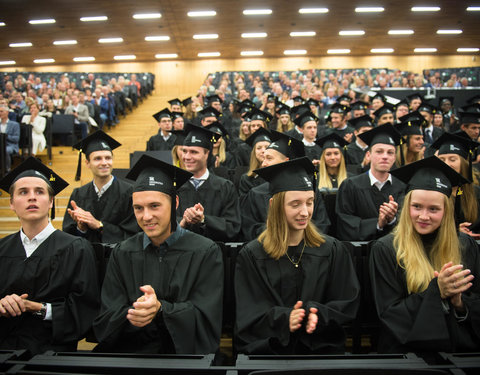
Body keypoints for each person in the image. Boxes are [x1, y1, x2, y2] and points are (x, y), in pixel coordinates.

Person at [93, 154, 223, 353]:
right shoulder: (123, 252)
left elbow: (206, 317)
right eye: (138, 208)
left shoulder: (205, 251)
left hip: (185, 362)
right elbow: (107, 316)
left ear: (175, 203)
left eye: (155, 206)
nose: (146, 216)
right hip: (132, 356)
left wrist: (162, 310)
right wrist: (136, 314)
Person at [235, 157, 360, 354]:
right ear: (274, 205)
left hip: (321, 347)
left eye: (310, 202)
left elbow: (346, 300)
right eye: (295, 204)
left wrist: (318, 315)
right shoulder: (252, 254)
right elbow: (249, 310)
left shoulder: (332, 249)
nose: (305, 212)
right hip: (271, 350)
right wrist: (285, 319)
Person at [370, 156, 480, 353]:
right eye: (417, 206)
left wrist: (460, 303)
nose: (423, 216)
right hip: (409, 354)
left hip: (461, 350)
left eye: (434, 209)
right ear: (407, 207)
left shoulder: (465, 245)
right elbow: (389, 315)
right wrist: (437, 292)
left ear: (446, 211)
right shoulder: (387, 248)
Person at [0, 157, 99, 355]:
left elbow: (85, 310)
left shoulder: (76, 248)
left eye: (39, 191)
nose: (32, 197)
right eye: (23, 192)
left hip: (53, 353)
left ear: (51, 201)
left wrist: (36, 308)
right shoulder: (2, 249)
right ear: (11, 203)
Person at [240, 132, 330, 241]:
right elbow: (249, 229)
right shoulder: (256, 193)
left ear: (285, 161)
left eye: (269, 158)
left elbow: (321, 225)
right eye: (264, 158)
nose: (263, 164)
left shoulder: (309, 191)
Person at [63, 131, 140, 244]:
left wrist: (99, 225)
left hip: (118, 257)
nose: (104, 163)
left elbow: (134, 233)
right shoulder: (79, 194)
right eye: (97, 158)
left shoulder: (129, 192)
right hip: (87, 258)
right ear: (87, 163)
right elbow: (68, 235)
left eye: (108, 158)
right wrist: (81, 229)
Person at [336, 124, 406, 241]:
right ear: (368, 155)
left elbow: (407, 224)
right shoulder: (350, 185)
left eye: (390, 152)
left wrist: (392, 219)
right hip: (359, 254)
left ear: (394, 157)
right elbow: (344, 224)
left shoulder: (402, 186)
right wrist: (378, 223)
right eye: (379, 151)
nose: (385, 156)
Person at [178, 123, 241, 241]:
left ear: (207, 154)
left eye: (193, 152)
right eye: (184, 151)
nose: (186, 157)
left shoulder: (225, 187)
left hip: (215, 253)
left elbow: (233, 228)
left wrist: (203, 220)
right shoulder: (175, 186)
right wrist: (182, 223)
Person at [432, 132, 480, 237]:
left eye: (452, 159)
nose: (447, 164)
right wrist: (456, 232)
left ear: (463, 164)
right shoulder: (432, 193)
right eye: (442, 160)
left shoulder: (476, 193)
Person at [238, 128, 272, 195]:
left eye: (267, 147)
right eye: (259, 148)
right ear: (254, 153)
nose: (263, 150)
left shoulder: (279, 176)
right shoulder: (246, 179)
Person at [0, 104, 20, 173]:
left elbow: (16, 139)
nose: (0, 113)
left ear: (7, 112)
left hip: (10, 145)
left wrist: (6, 136)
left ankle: (7, 170)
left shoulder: (15, 124)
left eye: (1, 111)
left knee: (5, 150)